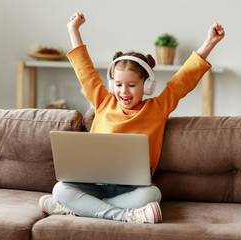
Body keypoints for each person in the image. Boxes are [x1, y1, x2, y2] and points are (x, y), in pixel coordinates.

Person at [39, 12, 225, 224]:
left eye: (131, 85)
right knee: (60, 188)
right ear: (112, 85)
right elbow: (84, 71)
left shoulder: (158, 108)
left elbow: (184, 80)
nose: (124, 92)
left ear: (147, 86)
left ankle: (80, 208)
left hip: (131, 189)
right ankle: (124, 216)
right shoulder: (102, 102)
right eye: (118, 85)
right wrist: (74, 30)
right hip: (93, 184)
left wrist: (209, 42)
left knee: (153, 195)